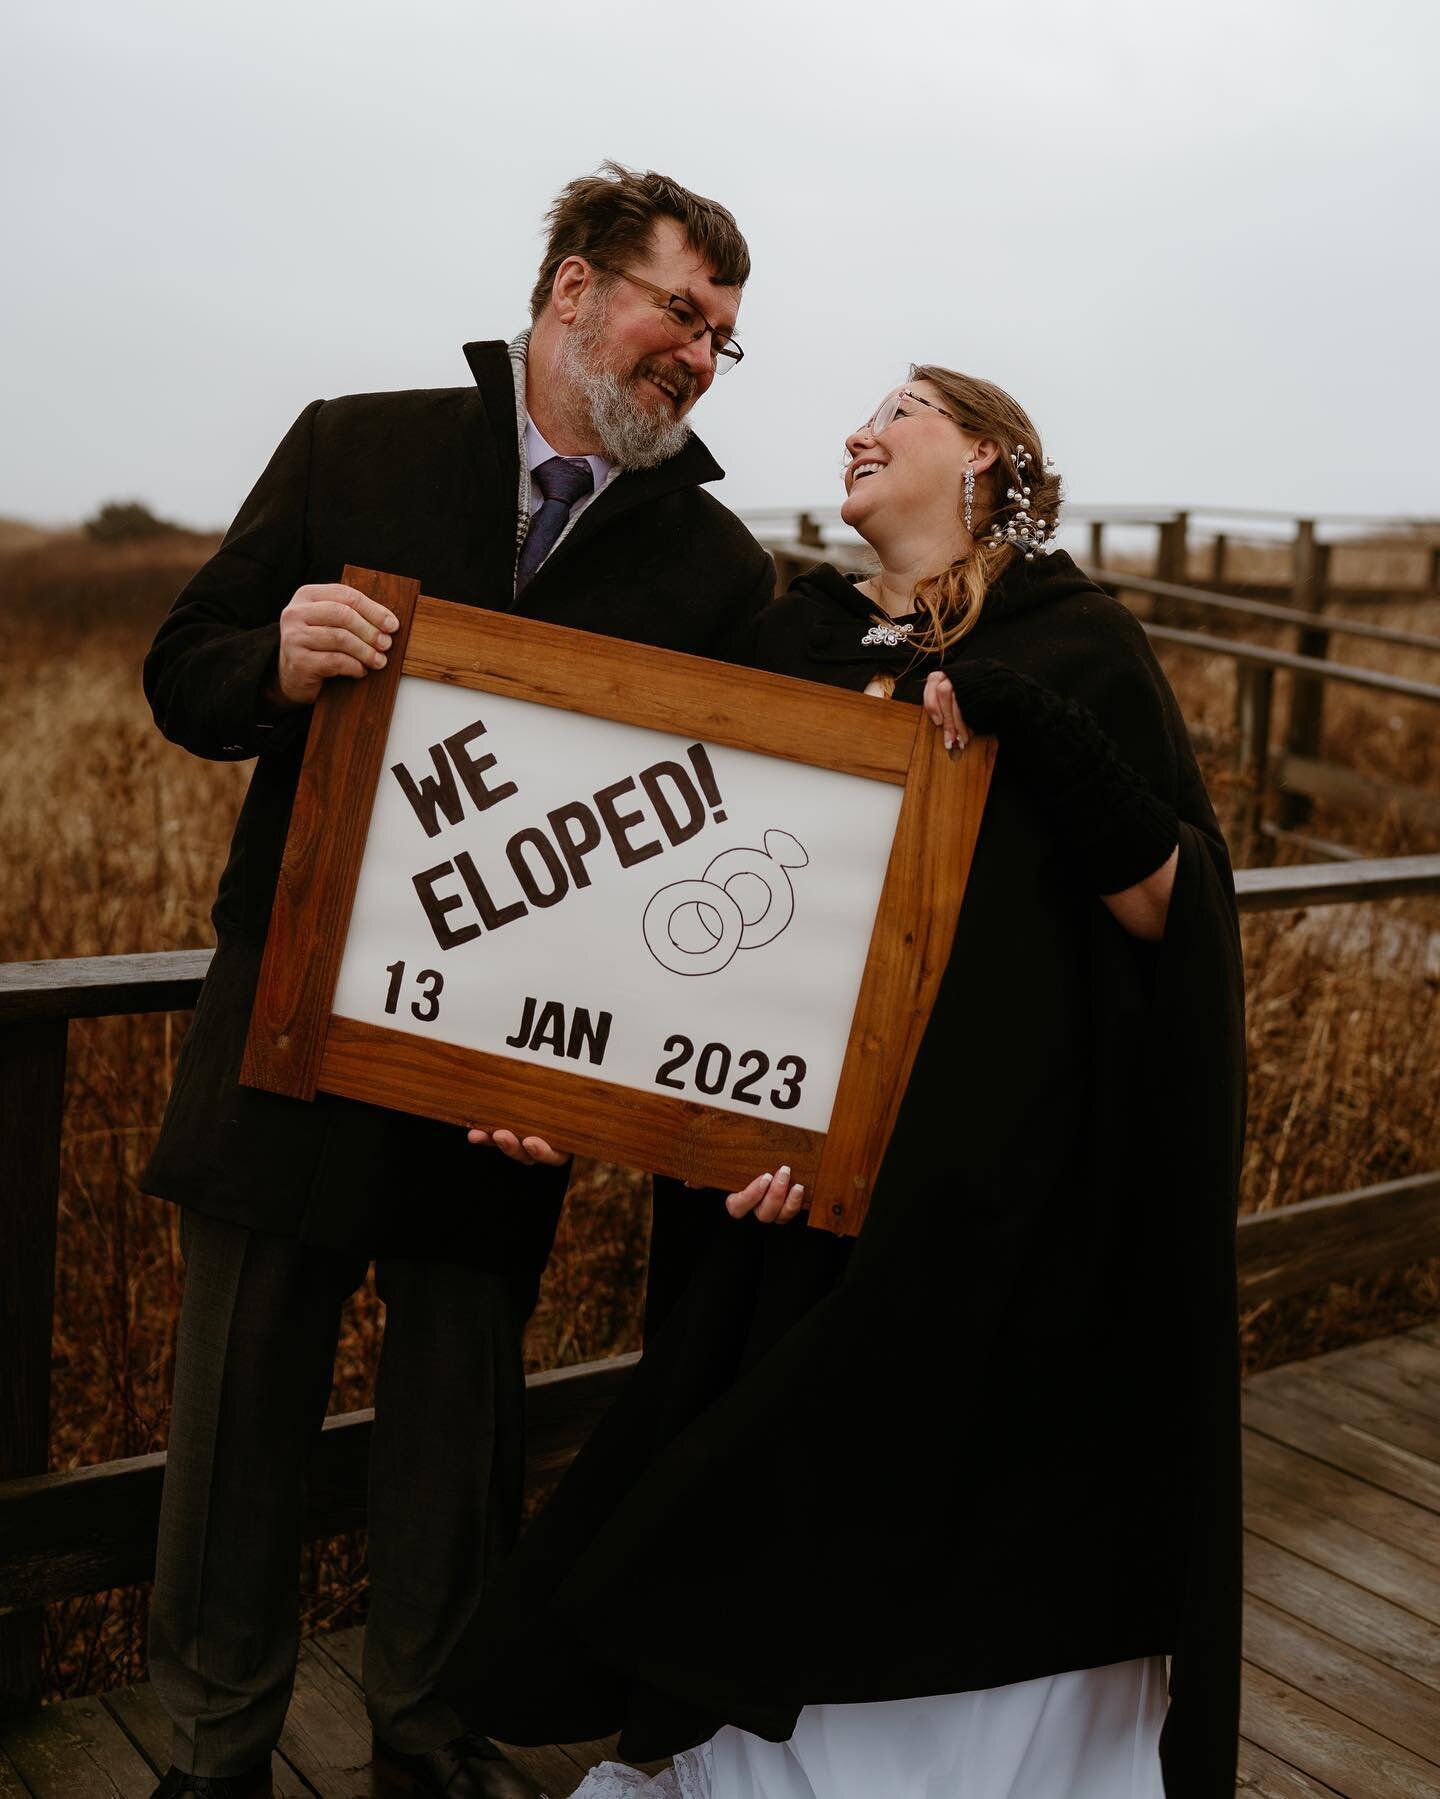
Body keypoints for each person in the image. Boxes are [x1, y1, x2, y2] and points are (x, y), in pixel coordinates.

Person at [442, 370, 1246, 1798]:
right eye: (863, 410)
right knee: (749, 1474)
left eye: (906, 408)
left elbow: (1171, 912)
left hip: (997, 1176)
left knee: (955, 1488)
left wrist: (1039, 735)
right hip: (792, 1171)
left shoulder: (1076, 644)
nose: (862, 427)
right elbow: (675, 877)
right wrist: (592, 1089)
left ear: (987, 455)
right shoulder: (790, 638)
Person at [139, 163, 775, 1799]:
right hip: (290, 1030)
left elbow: (721, 840)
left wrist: (607, 1073)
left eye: (721, 336)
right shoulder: (356, 441)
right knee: (233, 1432)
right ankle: (211, 1749)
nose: (697, 354)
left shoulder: (713, 567)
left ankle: (423, 1736)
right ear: (574, 289)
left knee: (452, 1458)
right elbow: (187, 670)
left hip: (501, 1091)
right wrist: (271, 661)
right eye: (676, 311)